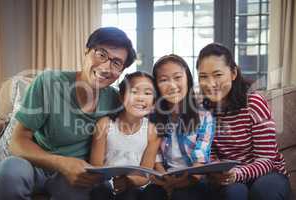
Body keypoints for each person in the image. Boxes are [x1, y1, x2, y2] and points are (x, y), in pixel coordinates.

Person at [0, 27, 136, 200]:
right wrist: (61, 163)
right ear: (86, 51)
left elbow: (134, 132)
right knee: (10, 170)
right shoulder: (48, 83)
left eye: (116, 63)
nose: (106, 67)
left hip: (76, 175)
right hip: (36, 165)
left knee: (76, 191)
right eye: (101, 54)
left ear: (121, 71)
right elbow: (17, 142)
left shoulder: (115, 100)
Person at [196, 43, 291, 200]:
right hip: (228, 179)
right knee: (233, 193)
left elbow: (267, 160)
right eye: (203, 76)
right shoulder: (203, 110)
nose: (211, 83)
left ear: (233, 73)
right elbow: (209, 154)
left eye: (218, 75)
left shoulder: (253, 103)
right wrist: (215, 172)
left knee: (264, 191)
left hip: (267, 174)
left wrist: (238, 173)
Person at [141, 54, 215, 200]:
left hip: (194, 178)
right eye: (163, 80)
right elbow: (155, 156)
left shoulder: (204, 116)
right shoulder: (152, 116)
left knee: (181, 196)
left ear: (187, 78)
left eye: (177, 77)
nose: (172, 85)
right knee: (149, 195)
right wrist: (166, 181)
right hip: (163, 176)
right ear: (156, 86)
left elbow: (200, 159)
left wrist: (180, 183)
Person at [90, 71, 161, 200]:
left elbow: (145, 174)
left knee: (131, 195)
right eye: (134, 92)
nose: (141, 98)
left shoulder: (152, 131)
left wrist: (128, 181)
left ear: (153, 104)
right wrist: (112, 182)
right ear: (122, 97)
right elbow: (96, 166)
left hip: (135, 186)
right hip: (106, 185)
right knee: (99, 191)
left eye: (148, 93)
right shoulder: (104, 124)